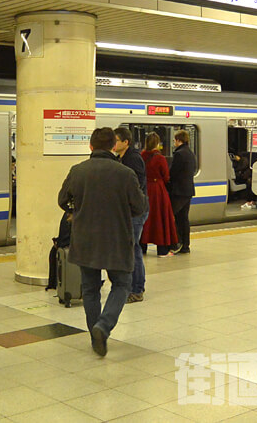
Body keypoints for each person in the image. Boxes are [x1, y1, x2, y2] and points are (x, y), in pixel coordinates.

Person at [58, 127, 147, 357]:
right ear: (112, 146)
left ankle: (94, 335)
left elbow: (62, 200)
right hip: (116, 238)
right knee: (121, 283)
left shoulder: (77, 171)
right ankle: (103, 326)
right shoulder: (125, 173)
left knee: (90, 288)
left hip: (85, 238)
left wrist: (74, 211)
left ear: (90, 146)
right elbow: (140, 207)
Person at [113, 127, 148, 303]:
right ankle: (132, 286)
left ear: (125, 142)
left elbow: (137, 186)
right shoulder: (121, 158)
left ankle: (137, 289)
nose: (114, 144)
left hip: (136, 211)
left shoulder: (133, 159)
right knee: (130, 248)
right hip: (129, 209)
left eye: (116, 140)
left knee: (133, 248)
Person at [140, 132, 178, 257]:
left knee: (145, 220)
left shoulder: (141, 156)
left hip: (145, 189)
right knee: (160, 219)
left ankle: (142, 247)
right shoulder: (160, 158)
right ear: (157, 143)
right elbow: (166, 176)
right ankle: (162, 249)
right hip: (158, 190)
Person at [169, 130, 196, 254]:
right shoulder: (190, 153)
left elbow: (173, 173)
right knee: (183, 218)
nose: (174, 142)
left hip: (178, 191)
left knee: (170, 216)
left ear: (179, 140)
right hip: (188, 190)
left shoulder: (179, 154)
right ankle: (186, 245)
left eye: (175, 140)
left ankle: (177, 242)